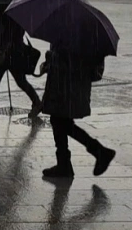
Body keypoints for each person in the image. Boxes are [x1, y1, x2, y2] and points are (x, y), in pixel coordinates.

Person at [38, 45, 116, 178]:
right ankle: (65, 163)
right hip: (68, 82)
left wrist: (51, 61)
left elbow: (67, 56)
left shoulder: (73, 32)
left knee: (60, 121)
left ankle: (97, 152)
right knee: (60, 120)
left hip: (67, 84)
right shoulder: (77, 31)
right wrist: (50, 61)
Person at [0, 3, 42, 121]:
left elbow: (13, 35)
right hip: (4, 55)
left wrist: (6, 44)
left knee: (6, 82)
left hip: (10, 56)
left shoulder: (10, 17)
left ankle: (36, 102)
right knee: (1, 82)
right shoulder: (3, 16)